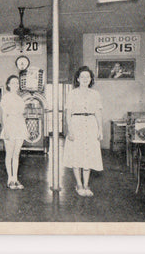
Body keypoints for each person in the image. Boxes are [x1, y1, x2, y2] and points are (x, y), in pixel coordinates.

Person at [63, 66, 103, 197]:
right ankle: (79, 185)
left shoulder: (95, 94)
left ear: (91, 79)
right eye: (83, 76)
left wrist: (100, 130)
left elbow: (98, 112)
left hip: (91, 124)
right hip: (76, 124)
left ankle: (86, 185)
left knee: (88, 154)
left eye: (88, 76)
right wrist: (70, 130)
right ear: (78, 79)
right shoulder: (72, 93)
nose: (85, 79)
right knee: (76, 154)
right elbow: (68, 113)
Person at [0, 75, 29, 190]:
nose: (15, 85)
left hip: (19, 125)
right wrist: (6, 129)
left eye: (17, 83)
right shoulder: (6, 97)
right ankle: (10, 179)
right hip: (10, 125)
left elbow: (22, 114)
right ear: (8, 85)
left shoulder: (20, 98)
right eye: (13, 83)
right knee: (9, 154)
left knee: (17, 154)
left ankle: (16, 179)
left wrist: (25, 129)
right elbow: (4, 115)